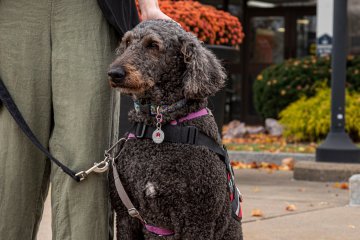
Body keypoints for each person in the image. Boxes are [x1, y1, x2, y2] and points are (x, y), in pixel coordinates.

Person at [0, 0, 170, 239]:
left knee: (86, 159)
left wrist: (149, 5)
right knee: (10, 164)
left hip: (90, 10)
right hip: (10, 14)